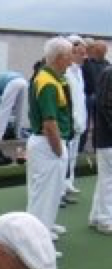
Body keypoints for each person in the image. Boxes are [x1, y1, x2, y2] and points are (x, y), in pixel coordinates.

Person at [26, 36, 73, 257]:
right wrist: (58, 150)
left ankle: (41, 235)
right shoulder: (48, 82)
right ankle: (37, 245)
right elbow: (49, 123)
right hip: (48, 144)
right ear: (59, 57)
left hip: (47, 143)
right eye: (69, 56)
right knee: (44, 197)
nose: (71, 61)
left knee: (49, 195)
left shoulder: (49, 78)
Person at [62, 35, 88, 202]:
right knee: (65, 156)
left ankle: (69, 182)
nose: (84, 57)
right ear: (71, 52)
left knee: (72, 156)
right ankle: (61, 188)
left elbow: (80, 97)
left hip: (79, 120)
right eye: (81, 53)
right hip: (69, 121)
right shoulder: (65, 72)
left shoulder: (79, 71)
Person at [89, 65, 112, 234]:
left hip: (106, 137)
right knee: (108, 180)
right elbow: (105, 104)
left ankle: (97, 216)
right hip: (108, 138)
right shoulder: (109, 74)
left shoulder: (107, 73)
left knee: (105, 179)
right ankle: (105, 220)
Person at [0, 71, 28, 141]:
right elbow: (13, 105)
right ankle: (18, 134)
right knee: (20, 111)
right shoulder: (0, 80)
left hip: (13, 83)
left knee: (3, 110)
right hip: (24, 82)